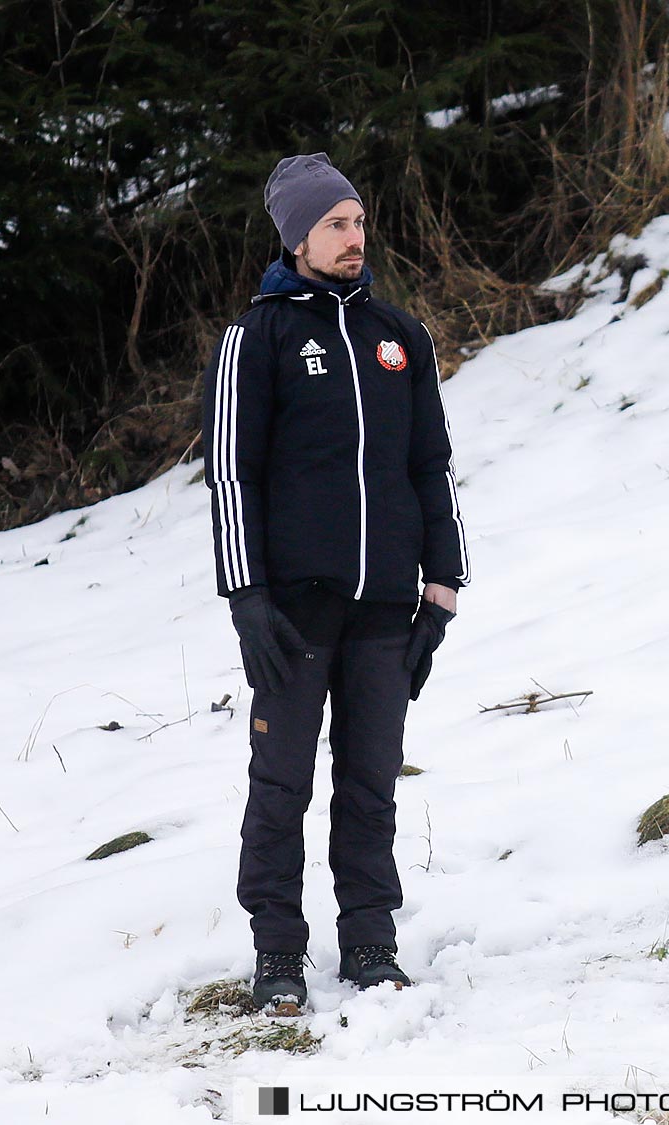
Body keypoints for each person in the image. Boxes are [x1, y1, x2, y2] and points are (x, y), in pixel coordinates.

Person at [202, 153, 471, 1013]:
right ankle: (278, 950)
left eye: (358, 221)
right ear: (298, 237)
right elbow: (231, 474)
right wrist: (246, 595)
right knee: (281, 782)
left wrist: (443, 585)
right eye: (336, 225)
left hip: (389, 602)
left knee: (372, 779)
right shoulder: (260, 336)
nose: (355, 237)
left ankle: (370, 942)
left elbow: (432, 464)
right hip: (293, 607)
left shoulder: (400, 336)